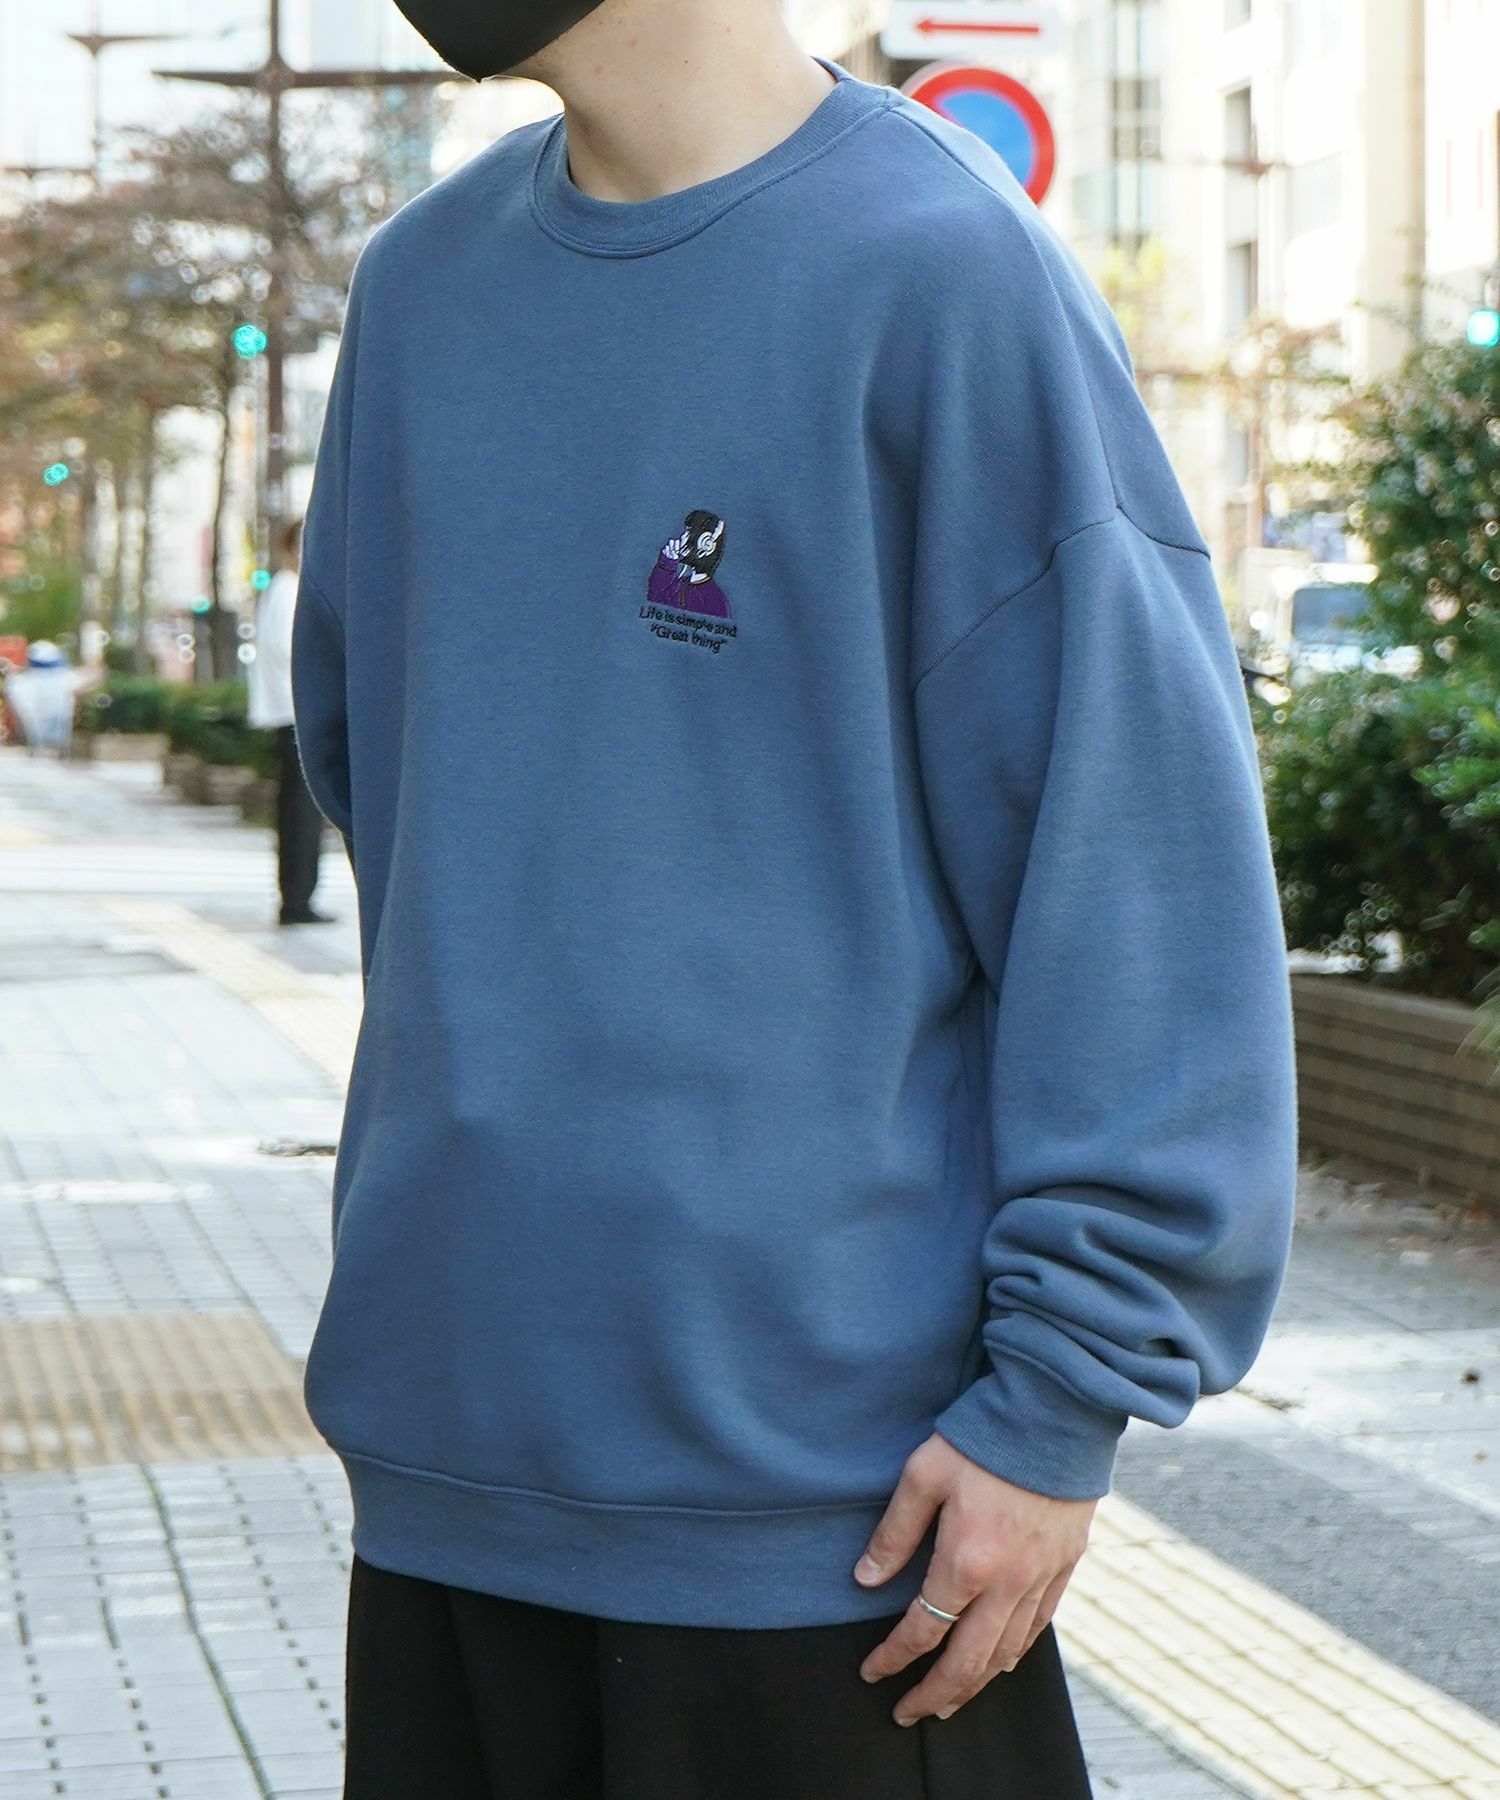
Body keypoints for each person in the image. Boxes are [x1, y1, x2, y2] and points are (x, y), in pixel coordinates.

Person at [289, 4, 1299, 1795]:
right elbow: (392, 794)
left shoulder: (943, 273)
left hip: (839, 1532)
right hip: (447, 1474)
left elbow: (1135, 875)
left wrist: (1058, 1405)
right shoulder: (421, 291)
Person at [248, 518, 336, 926]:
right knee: (301, 816)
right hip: (296, 715)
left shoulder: (283, 590)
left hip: (290, 715)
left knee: (298, 814)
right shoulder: (288, 591)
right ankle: (297, 900)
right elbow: (295, 652)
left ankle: (297, 898)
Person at [4, 640, 87, 758]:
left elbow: (15, 709)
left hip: (34, 744)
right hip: (59, 744)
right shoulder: (66, 678)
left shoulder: (18, 683)